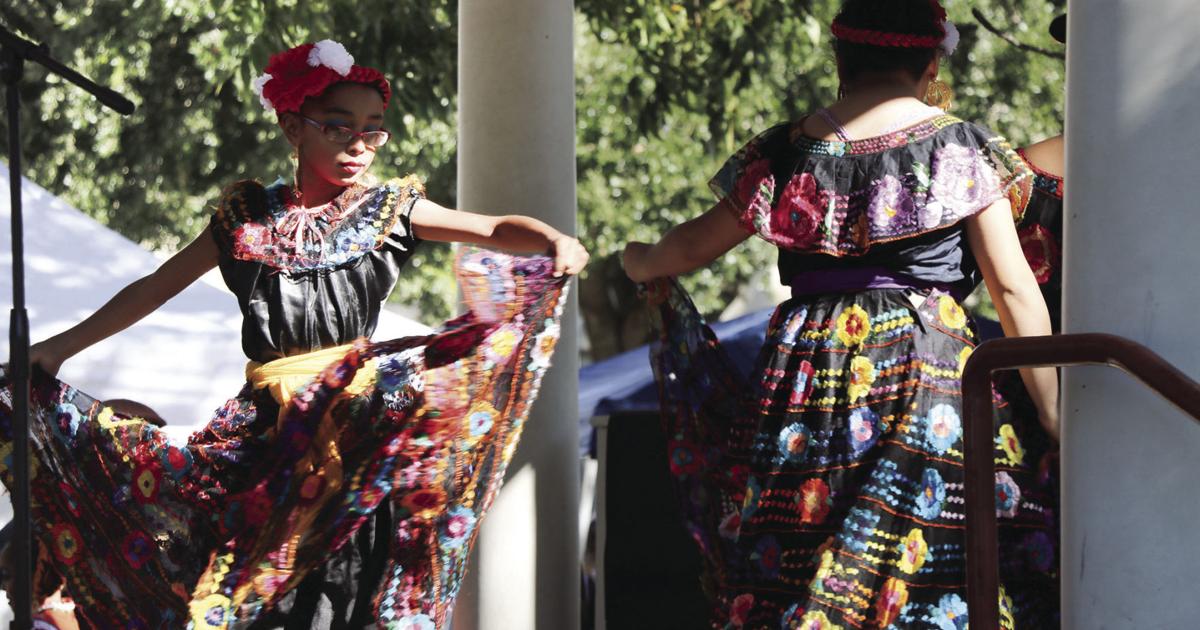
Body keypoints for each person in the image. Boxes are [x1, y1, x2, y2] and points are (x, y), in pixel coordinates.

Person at [0, 39, 586, 628]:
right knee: (242, 585)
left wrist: (552, 239)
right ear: (292, 127)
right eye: (339, 127)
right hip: (265, 430)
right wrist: (58, 348)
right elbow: (154, 287)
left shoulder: (389, 209)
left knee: (343, 589)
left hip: (353, 430)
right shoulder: (245, 219)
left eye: (373, 131)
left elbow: (491, 227)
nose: (359, 145)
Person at [622, 1, 1059, 627]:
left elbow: (689, 247)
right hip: (922, 370)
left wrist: (640, 259)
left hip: (807, 374)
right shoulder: (961, 145)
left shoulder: (787, 150)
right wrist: (1052, 409)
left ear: (840, 61)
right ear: (931, 64)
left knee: (803, 556)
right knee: (924, 561)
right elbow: (1012, 289)